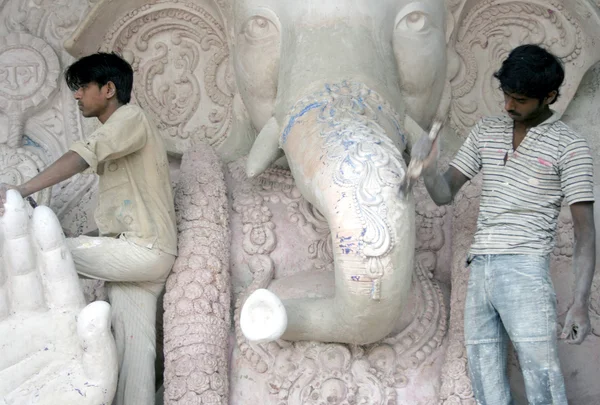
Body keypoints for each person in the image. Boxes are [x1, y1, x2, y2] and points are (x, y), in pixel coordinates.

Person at [410, 44, 596, 404]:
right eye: (506, 96)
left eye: (520, 99)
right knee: (486, 386)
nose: (509, 106)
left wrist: (580, 302)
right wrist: (428, 168)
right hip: (480, 268)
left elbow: (585, 234)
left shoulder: (570, 146)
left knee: (543, 382)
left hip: (525, 269)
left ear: (550, 96)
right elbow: (444, 193)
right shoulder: (485, 131)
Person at [0, 52, 178, 405]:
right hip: (139, 260)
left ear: (109, 88)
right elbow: (116, 227)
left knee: (43, 253)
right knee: (135, 360)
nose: (77, 95)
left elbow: (84, 154)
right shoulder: (124, 135)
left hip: (143, 251)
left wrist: (20, 191)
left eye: (82, 87)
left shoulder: (130, 118)